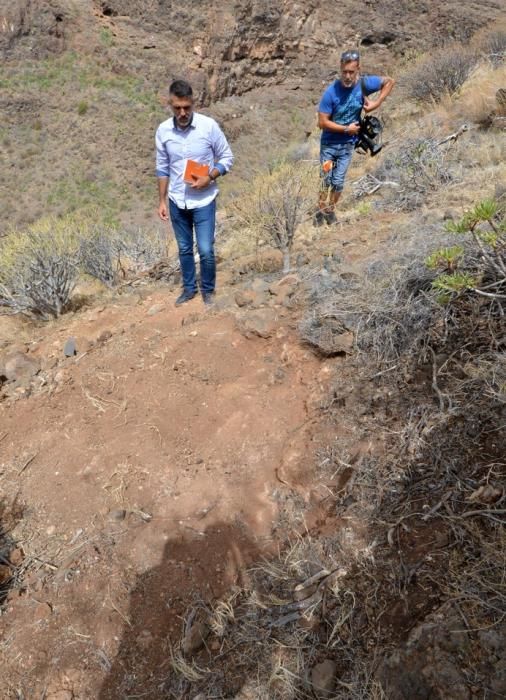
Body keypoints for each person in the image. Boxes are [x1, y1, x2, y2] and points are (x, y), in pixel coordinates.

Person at [156, 79, 234, 305]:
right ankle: (189, 289)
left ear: (193, 103)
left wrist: (209, 177)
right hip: (176, 200)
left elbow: (227, 157)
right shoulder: (163, 131)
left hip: (204, 200)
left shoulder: (208, 126)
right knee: (184, 248)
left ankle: (208, 290)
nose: (182, 112)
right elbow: (162, 167)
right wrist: (161, 200)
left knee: (206, 249)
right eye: (177, 108)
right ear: (170, 105)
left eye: (186, 107)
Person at [314, 50, 394, 226]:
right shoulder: (331, 92)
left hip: (347, 147)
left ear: (358, 69)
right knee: (326, 178)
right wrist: (346, 129)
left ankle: (330, 210)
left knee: (338, 181)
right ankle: (320, 211)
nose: (347, 76)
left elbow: (389, 81)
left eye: (351, 72)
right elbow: (322, 122)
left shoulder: (364, 84)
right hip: (329, 145)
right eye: (344, 72)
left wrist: (376, 103)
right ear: (340, 69)